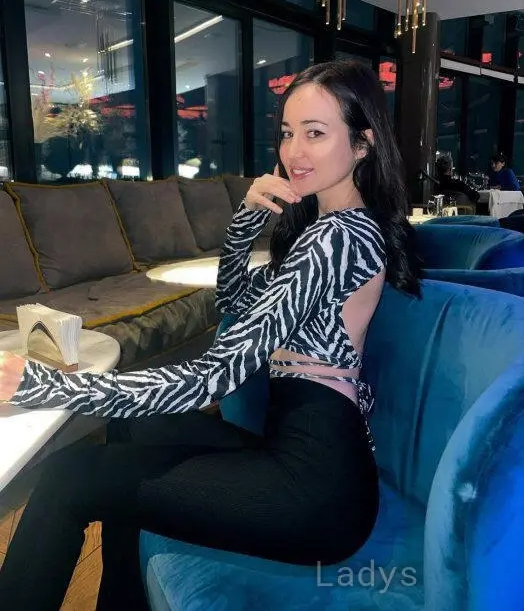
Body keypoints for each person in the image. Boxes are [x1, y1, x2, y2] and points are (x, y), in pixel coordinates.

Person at [0, 61, 421, 610]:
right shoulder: (324, 230)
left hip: (317, 491)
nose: (294, 152)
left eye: (316, 133)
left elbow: (213, 378)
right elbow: (232, 305)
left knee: (67, 477)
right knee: (130, 429)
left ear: (363, 143)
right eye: (287, 133)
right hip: (295, 451)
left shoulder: (339, 238)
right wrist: (246, 220)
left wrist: (43, 385)